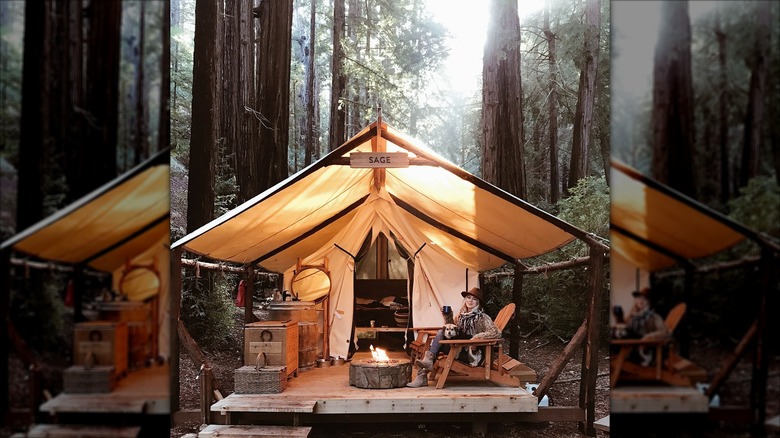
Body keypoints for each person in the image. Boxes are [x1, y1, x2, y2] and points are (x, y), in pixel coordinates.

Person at [407, 287, 501, 388]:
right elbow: (451, 332)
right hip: (458, 347)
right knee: (440, 336)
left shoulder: (482, 317)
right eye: (468, 298)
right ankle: (425, 367)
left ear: (478, 303)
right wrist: (448, 316)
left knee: (438, 340)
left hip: (471, 353)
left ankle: (422, 375)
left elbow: (496, 332)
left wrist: (476, 339)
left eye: (474, 299)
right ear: (465, 300)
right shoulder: (461, 316)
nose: (470, 300)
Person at [624, 287, 670, 366]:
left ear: (649, 302)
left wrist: (648, 338)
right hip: (630, 348)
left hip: (647, 351)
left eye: (644, 299)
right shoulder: (632, 316)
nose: (641, 301)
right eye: (639, 298)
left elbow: (665, 332)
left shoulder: (654, 316)